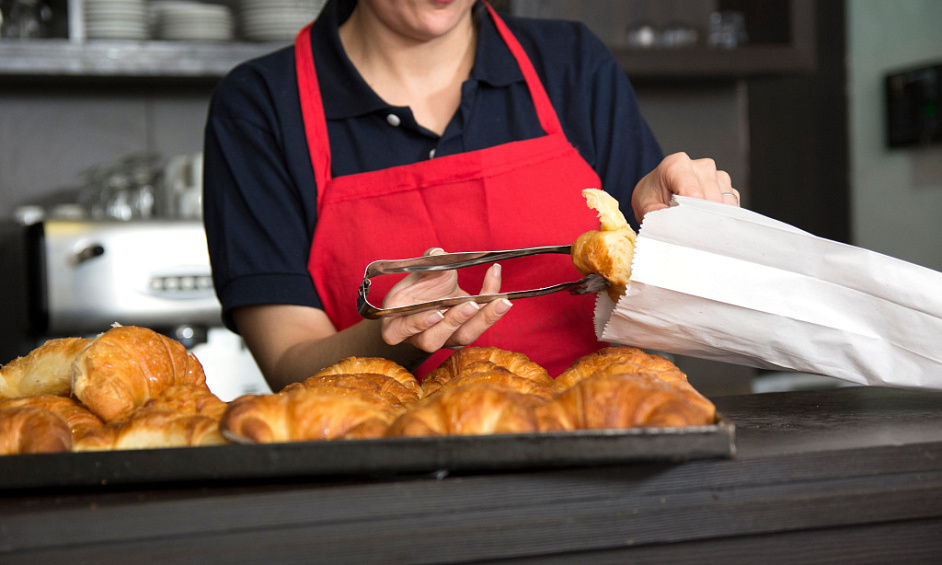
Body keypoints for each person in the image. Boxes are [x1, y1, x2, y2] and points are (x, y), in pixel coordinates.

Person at [202, 0, 739, 391]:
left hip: (609, 445)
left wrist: (670, 232)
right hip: (387, 480)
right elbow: (287, 362)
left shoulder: (571, 63)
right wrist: (396, 335)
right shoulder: (261, 105)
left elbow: (670, 316)